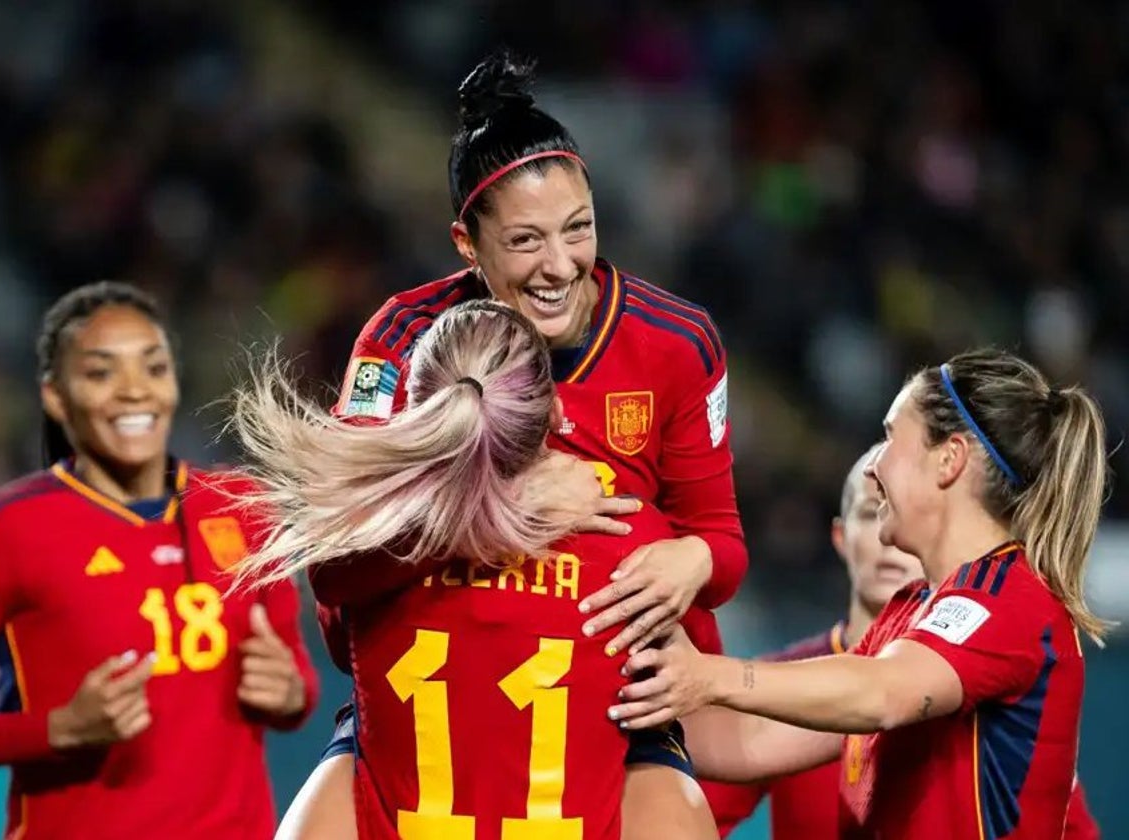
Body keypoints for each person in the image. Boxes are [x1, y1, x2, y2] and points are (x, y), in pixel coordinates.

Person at [311, 49, 749, 835]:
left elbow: (722, 542)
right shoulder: (401, 340)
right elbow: (336, 566)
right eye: (524, 241)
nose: (560, 266)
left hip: (614, 696)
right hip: (426, 687)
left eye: (578, 229)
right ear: (465, 245)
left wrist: (697, 559)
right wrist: (504, 504)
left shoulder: (678, 342)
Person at [233, 300, 719, 840]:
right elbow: (693, 682)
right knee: (670, 787)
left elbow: (337, 635)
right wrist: (702, 554)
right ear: (555, 415)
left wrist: (462, 530)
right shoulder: (633, 537)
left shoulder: (363, 551)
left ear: (418, 412)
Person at [607, 348, 1108, 839]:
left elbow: (883, 693)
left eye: (891, 436)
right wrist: (616, 691)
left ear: (949, 459)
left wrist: (712, 675)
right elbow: (750, 743)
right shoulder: (908, 612)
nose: (874, 468)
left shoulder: (1008, 596)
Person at [0, 282, 320, 839]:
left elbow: (298, 685)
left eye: (153, 368)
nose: (135, 391)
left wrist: (289, 693)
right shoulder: (4, 527)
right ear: (55, 397)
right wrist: (57, 729)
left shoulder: (242, 508)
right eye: (101, 372)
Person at [719, 445, 1101, 838]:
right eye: (871, 511)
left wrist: (710, 677)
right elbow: (713, 780)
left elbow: (881, 692)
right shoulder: (786, 681)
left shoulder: (994, 642)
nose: (886, 540)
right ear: (840, 536)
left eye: (895, 508)